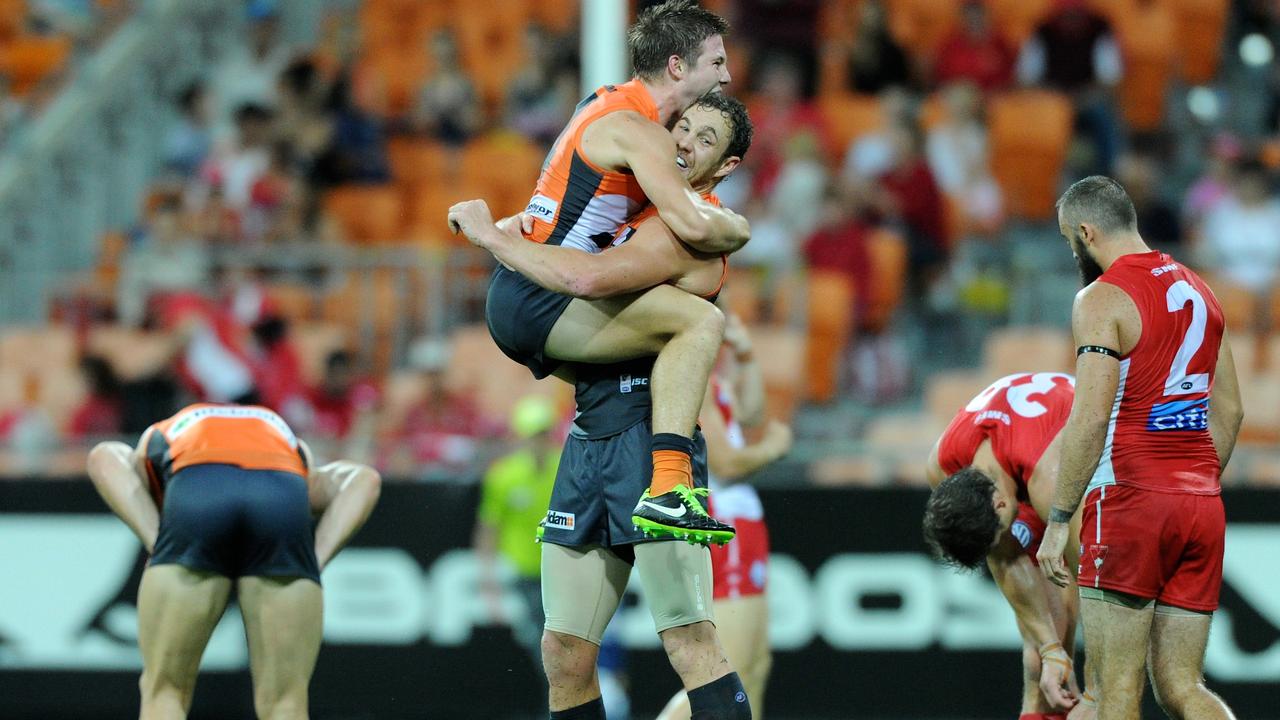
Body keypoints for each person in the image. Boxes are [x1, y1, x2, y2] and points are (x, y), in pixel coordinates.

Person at [454, 97, 755, 720]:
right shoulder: (632, 210)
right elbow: (577, 339)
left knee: (689, 642)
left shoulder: (688, 228)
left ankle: (675, 485)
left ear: (723, 167)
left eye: (705, 139)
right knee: (564, 651)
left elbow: (585, 279)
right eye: (681, 128)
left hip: (649, 440)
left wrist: (491, 238)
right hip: (590, 435)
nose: (684, 144)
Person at [456, 0, 751, 543]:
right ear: (679, 66)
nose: (728, 75)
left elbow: (568, 205)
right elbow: (692, 223)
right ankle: (667, 488)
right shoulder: (640, 131)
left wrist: (508, 229)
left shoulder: (609, 106)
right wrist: (737, 228)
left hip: (532, 290)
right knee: (699, 323)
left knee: (645, 366)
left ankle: (623, 493)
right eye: (716, 62)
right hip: (543, 296)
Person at [1037, 176, 1242, 720]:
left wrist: (1059, 520)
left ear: (1086, 231)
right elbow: (1231, 411)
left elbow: (1090, 415)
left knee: (1113, 692)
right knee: (1182, 687)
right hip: (1201, 503)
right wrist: (1189, 486)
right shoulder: (1202, 289)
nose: (1072, 252)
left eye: (1068, 240)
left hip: (1129, 499)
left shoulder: (1101, 297)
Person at [85, 402, 381, 720]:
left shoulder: (160, 435)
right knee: (285, 703)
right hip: (282, 489)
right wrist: (313, 561)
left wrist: (156, 541)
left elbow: (103, 457)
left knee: (165, 691)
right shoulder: (293, 446)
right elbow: (364, 479)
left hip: (196, 485)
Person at [923, 371, 1093, 720]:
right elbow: (1003, 558)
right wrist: (1050, 650)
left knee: (1086, 660)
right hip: (1017, 459)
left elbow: (1090, 584)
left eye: (998, 536)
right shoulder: (942, 468)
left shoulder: (1051, 482)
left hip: (1069, 453)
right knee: (1040, 656)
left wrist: (1096, 689)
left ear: (1000, 504)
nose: (1001, 547)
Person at [657, 314, 792, 720]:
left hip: (739, 524)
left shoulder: (712, 378)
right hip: (719, 524)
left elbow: (750, 415)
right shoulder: (687, 376)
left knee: (755, 668)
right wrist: (774, 448)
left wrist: (746, 354)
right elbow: (729, 462)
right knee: (725, 674)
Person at [474, 395, 563, 676]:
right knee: (539, 644)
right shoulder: (503, 476)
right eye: (533, 435)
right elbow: (488, 529)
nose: (538, 442)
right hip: (522, 573)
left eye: (543, 434)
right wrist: (488, 580)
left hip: (560, 571)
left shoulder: (565, 467)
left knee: (562, 643)